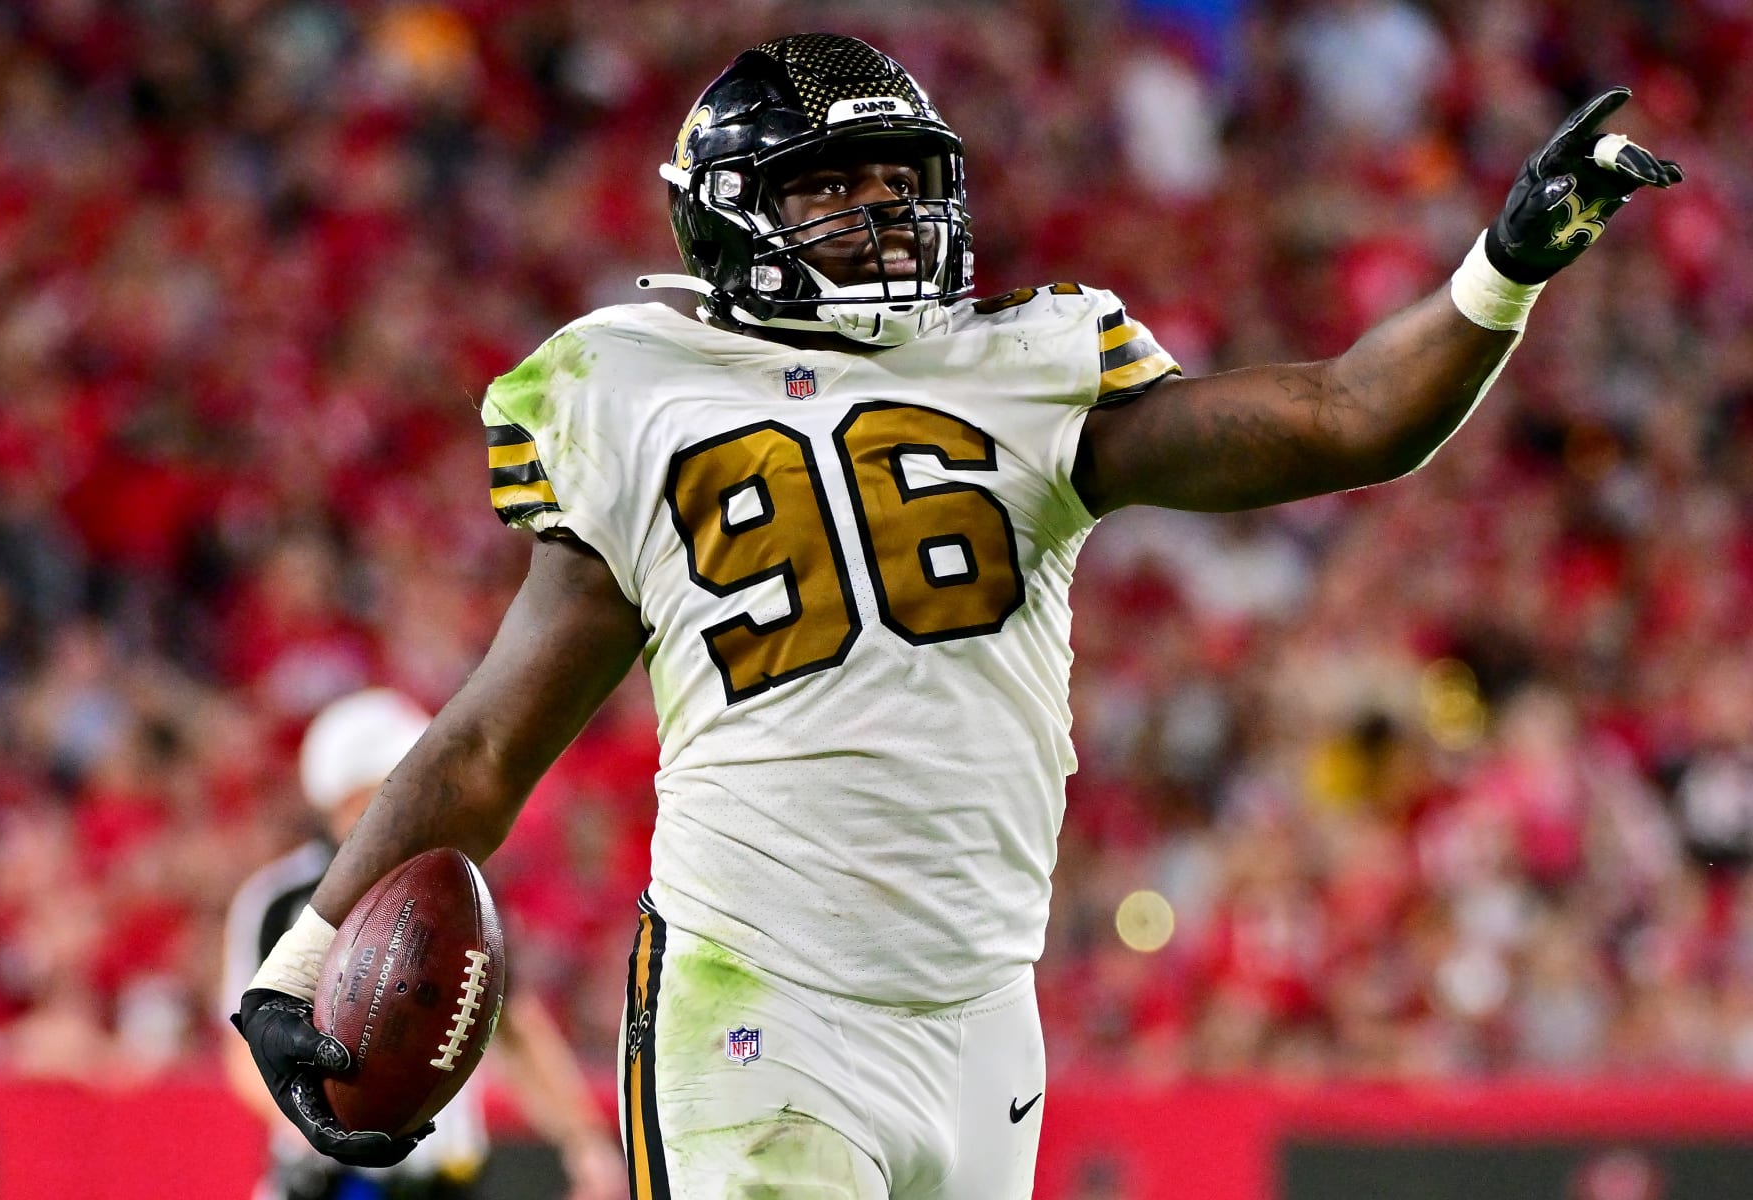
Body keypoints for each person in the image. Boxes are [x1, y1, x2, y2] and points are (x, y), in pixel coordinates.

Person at [233, 32, 1682, 1200]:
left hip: (983, 1011)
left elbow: (1343, 416)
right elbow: (490, 739)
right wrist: (307, 952)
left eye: (895, 181)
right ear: (730, 215)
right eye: (830, 186)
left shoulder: (1026, 364)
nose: (879, 214)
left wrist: (1502, 268)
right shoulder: (629, 388)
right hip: (761, 1000)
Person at [223, 688, 626, 1200]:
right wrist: (328, 1124)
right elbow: (244, 1051)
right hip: (333, 1183)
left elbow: (515, 1025)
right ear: (351, 798)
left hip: (444, 1181)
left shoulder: (457, 894)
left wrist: (583, 1141)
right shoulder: (279, 902)